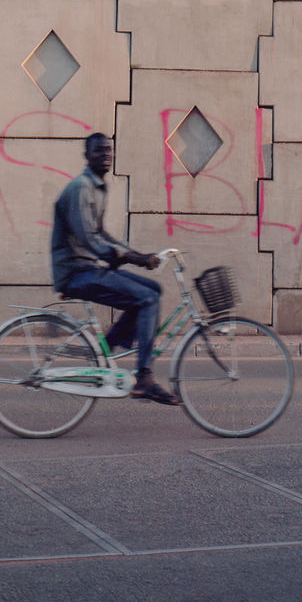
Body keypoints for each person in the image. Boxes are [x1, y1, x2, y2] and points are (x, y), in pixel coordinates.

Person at [50, 132, 181, 406]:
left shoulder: (98, 187)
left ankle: (106, 348)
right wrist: (132, 258)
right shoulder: (81, 188)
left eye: (108, 150)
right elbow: (89, 239)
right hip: (76, 272)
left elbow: (102, 234)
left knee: (153, 289)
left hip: (87, 267)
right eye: (99, 151)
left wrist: (138, 255)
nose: (106, 155)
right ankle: (144, 378)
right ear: (87, 156)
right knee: (147, 299)